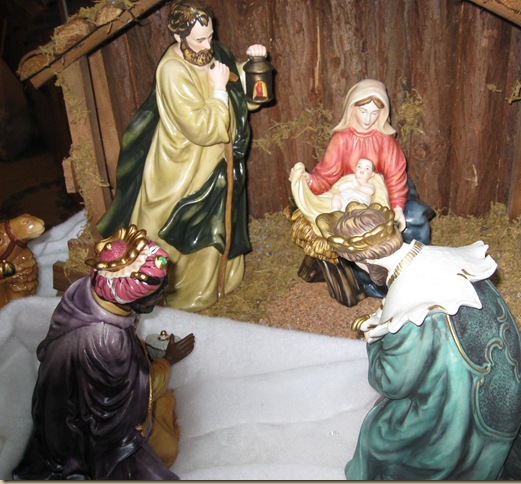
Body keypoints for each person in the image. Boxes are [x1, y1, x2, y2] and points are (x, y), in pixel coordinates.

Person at [316, 202, 521, 480]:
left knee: (379, 437)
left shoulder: (411, 310)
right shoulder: (442, 259)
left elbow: (392, 381)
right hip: (514, 388)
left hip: (470, 415)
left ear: (365, 260)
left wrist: (374, 338)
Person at [96, 0, 269, 311]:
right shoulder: (172, 70)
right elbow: (203, 128)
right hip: (182, 165)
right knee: (173, 223)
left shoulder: (213, 52)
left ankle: (214, 285)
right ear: (178, 36)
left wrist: (252, 66)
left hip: (216, 162)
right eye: (200, 39)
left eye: (210, 36)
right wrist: (218, 90)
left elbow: (234, 83)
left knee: (214, 224)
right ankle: (171, 291)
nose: (208, 45)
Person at [12, 225, 195, 480]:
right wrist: (166, 361)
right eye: (156, 294)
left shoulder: (87, 292)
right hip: (91, 437)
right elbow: (122, 408)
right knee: (167, 449)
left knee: (166, 402)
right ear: (130, 298)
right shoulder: (109, 341)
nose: (161, 298)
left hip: (70, 404)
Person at [288, 79, 434, 305]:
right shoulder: (341, 139)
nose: (368, 119)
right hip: (351, 193)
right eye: (363, 111)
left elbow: (396, 176)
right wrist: (309, 181)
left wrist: (397, 206)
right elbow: (326, 175)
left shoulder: (385, 141)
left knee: (413, 220)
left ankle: (417, 273)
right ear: (352, 108)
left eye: (374, 113)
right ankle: (372, 282)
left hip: (387, 191)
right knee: (356, 230)